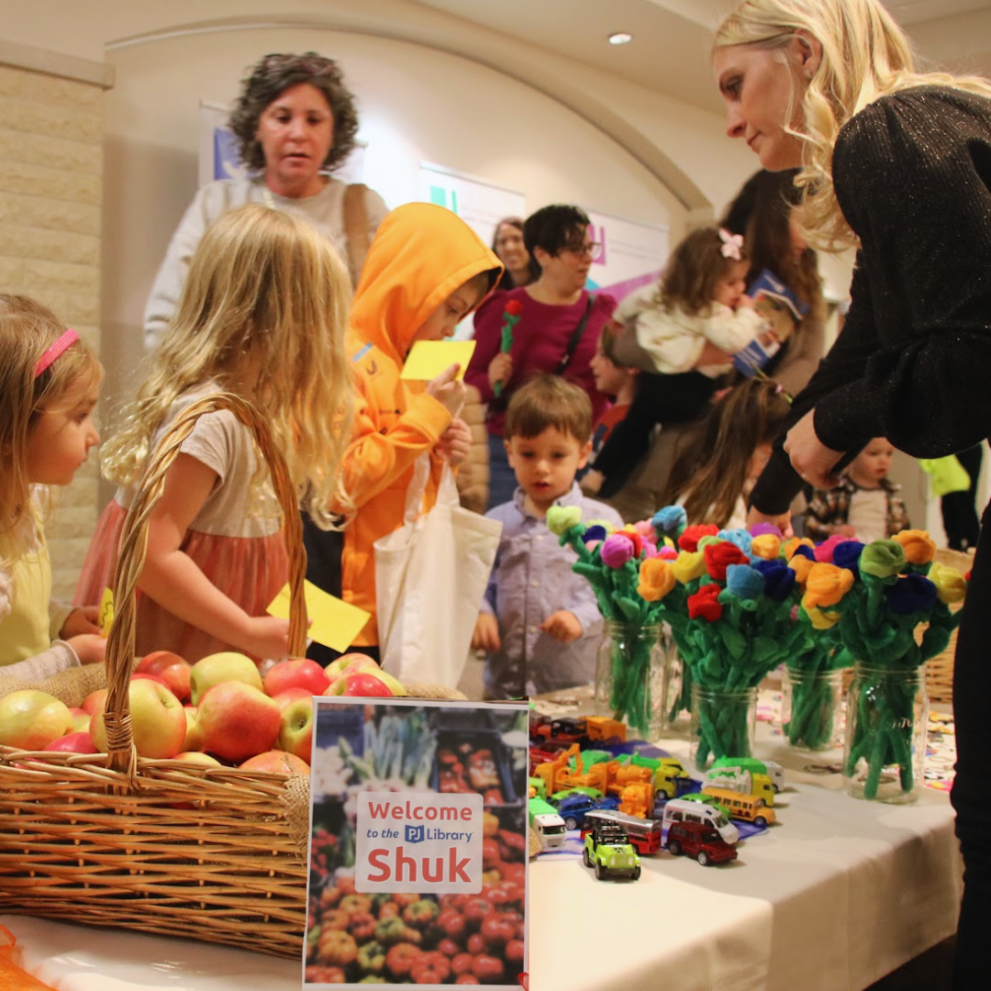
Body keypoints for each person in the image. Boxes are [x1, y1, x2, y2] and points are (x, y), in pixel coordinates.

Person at [712, 2, 991, 984]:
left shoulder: (890, 133)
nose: (732, 121)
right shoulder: (913, 140)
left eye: (735, 86)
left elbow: (963, 366)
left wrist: (830, 430)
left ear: (803, 53)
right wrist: (773, 488)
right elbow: (866, 352)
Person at [76, 205, 353, 663]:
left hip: (220, 650)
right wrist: (246, 630)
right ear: (283, 322)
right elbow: (148, 553)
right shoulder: (212, 420)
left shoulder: (255, 410)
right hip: (179, 652)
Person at [303, 203, 502, 663]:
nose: (453, 326)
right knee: (329, 725)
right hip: (333, 601)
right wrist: (428, 420)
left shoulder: (419, 360)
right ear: (407, 284)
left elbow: (401, 470)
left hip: (395, 602)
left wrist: (442, 454)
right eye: (449, 307)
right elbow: (336, 487)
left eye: (464, 313)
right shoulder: (339, 356)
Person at [143, 51, 388, 350]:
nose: (298, 133)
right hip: (235, 394)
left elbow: (399, 321)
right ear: (257, 126)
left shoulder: (362, 209)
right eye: (282, 118)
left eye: (314, 120)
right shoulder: (218, 204)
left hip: (342, 392)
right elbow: (166, 318)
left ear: (333, 133)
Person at [588, 225, 766, 516]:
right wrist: (748, 313)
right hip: (689, 394)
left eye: (741, 282)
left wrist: (618, 321)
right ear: (704, 281)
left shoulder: (664, 294)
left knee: (636, 423)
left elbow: (633, 301)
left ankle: (598, 476)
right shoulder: (712, 311)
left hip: (656, 382)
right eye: (732, 283)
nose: (740, 290)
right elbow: (733, 339)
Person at [472, 375, 624, 699]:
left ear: (582, 454)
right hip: (504, 686)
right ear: (510, 452)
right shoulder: (494, 522)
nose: (542, 468)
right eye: (528, 454)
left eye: (557, 456)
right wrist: (481, 611)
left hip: (574, 685)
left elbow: (615, 591)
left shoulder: (602, 522)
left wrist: (580, 617)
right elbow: (476, 582)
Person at [466, 204, 615, 511]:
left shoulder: (604, 310)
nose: (587, 258)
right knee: (504, 546)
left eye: (590, 248)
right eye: (575, 249)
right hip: (516, 455)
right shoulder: (506, 308)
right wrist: (490, 379)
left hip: (577, 455)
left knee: (570, 550)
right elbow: (468, 381)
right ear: (542, 254)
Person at [1, 295, 106, 683]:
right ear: (11, 428)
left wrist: (62, 620)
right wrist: (66, 658)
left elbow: (16, 620)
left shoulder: (27, 501)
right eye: (79, 416)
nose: (94, 435)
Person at [662, 378, 791, 530]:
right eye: (765, 457)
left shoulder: (734, 490)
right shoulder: (714, 504)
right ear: (740, 448)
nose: (768, 469)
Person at [804, 437, 910, 543]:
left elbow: (904, 536)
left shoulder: (894, 499)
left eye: (889, 454)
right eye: (874, 453)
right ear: (851, 456)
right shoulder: (834, 492)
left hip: (880, 557)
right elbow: (809, 524)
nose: (883, 460)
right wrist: (832, 531)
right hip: (844, 556)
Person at [584, 327, 639, 480]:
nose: (592, 363)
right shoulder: (613, 415)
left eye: (602, 354)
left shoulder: (627, 423)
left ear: (631, 365)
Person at [490, 217, 539, 291]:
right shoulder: (492, 293)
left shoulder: (551, 287)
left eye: (517, 239)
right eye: (502, 241)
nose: (509, 248)